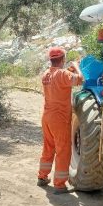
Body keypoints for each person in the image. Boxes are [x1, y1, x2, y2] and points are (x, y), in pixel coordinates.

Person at [37, 47, 84, 194]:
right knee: (63, 150)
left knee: (48, 147)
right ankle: (59, 185)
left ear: (51, 60)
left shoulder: (46, 74)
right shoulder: (63, 74)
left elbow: (59, 79)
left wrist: (68, 70)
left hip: (47, 116)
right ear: (63, 59)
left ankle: (42, 177)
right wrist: (76, 66)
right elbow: (80, 79)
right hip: (59, 118)